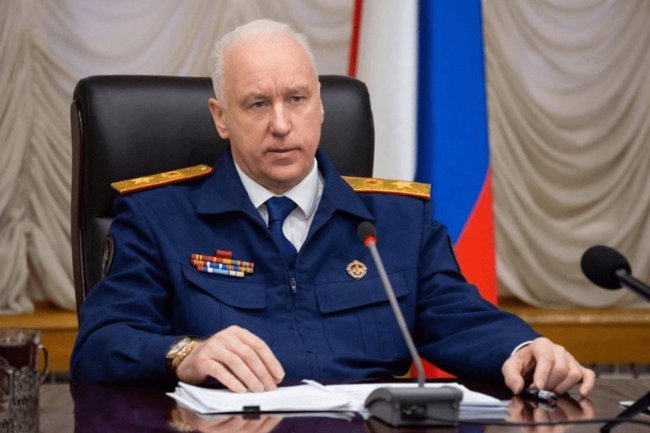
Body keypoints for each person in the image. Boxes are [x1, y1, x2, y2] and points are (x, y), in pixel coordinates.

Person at [70, 19, 594, 398]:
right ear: (220, 117)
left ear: (321, 105)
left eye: (296, 99)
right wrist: (185, 353)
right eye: (257, 104)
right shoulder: (158, 216)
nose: (281, 125)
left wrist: (524, 349)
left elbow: (459, 318)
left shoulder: (396, 221)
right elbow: (101, 343)